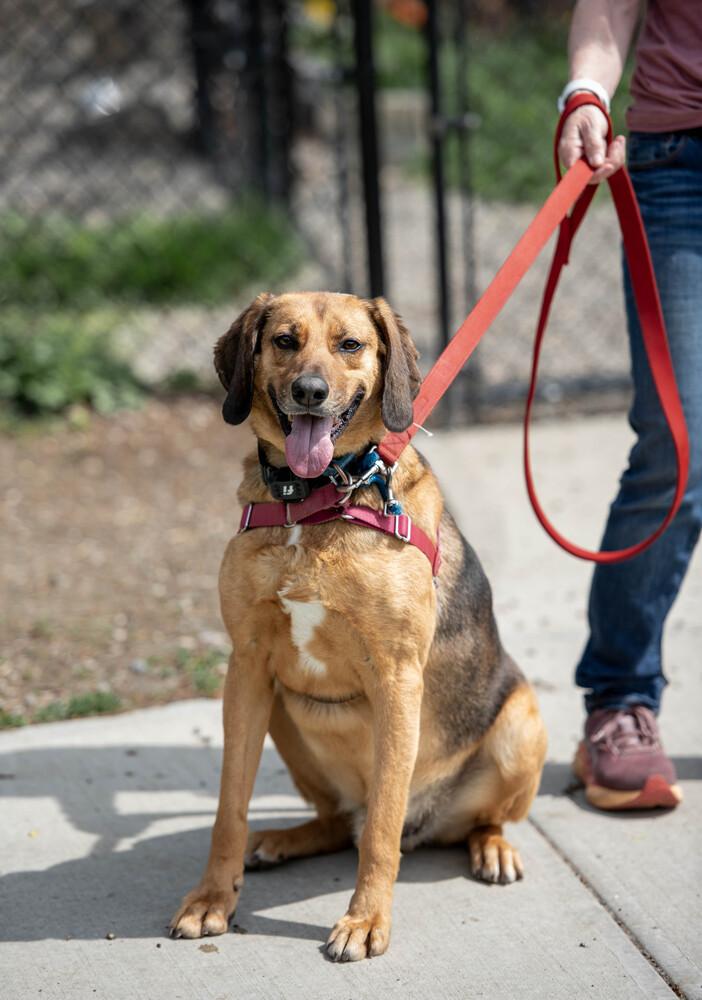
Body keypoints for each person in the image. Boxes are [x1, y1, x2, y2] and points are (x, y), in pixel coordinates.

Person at [557, 0, 701, 810]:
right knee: (680, 451)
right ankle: (620, 699)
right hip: (680, 165)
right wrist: (586, 93)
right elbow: (610, 9)